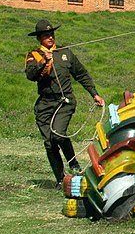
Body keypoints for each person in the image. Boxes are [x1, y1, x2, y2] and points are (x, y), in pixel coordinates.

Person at [25, 19, 104, 187]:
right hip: (45, 103)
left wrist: (94, 94)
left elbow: (81, 74)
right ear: (39, 39)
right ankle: (61, 179)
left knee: (58, 134)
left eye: (52, 34)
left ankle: (73, 163)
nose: (51, 38)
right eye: (46, 36)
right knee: (49, 142)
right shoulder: (34, 55)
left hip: (65, 101)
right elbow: (30, 75)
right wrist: (44, 61)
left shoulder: (65, 53)